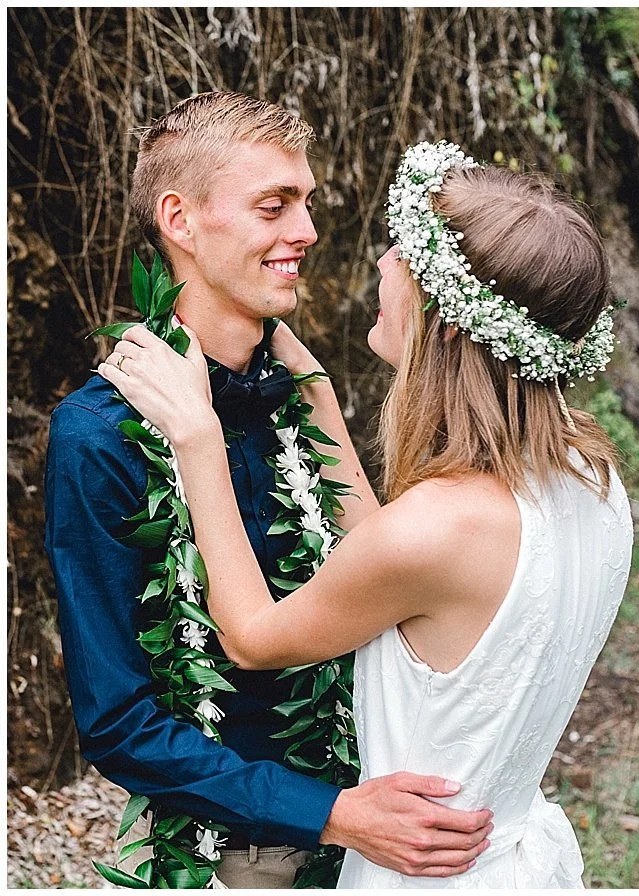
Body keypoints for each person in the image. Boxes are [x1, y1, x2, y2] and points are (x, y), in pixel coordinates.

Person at [100, 140, 634, 888]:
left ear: (449, 325)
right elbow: (398, 572)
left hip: (417, 867)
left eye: (404, 256)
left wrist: (197, 436)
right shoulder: (592, 483)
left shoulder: (439, 529)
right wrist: (316, 392)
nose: (380, 263)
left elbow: (253, 639)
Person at [45, 93, 491, 887]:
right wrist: (330, 811)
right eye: (274, 206)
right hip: (229, 855)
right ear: (180, 221)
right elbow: (118, 721)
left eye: (307, 202)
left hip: (382, 833)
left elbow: (385, 592)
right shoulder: (100, 434)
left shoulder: (295, 395)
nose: (308, 231)